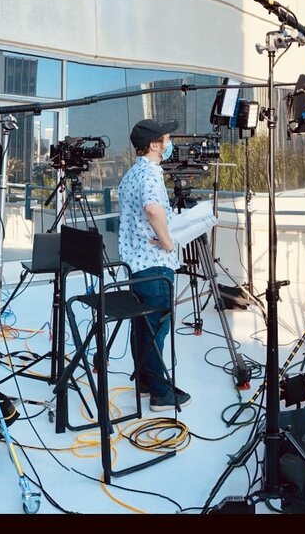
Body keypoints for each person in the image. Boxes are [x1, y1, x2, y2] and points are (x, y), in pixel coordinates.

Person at [118, 118, 188, 411]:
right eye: (167, 139)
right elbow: (152, 208)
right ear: (155, 145)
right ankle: (160, 393)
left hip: (136, 262)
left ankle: (147, 382)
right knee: (157, 327)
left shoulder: (131, 174)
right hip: (154, 263)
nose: (170, 143)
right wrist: (168, 240)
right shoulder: (149, 175)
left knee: (142, 326)